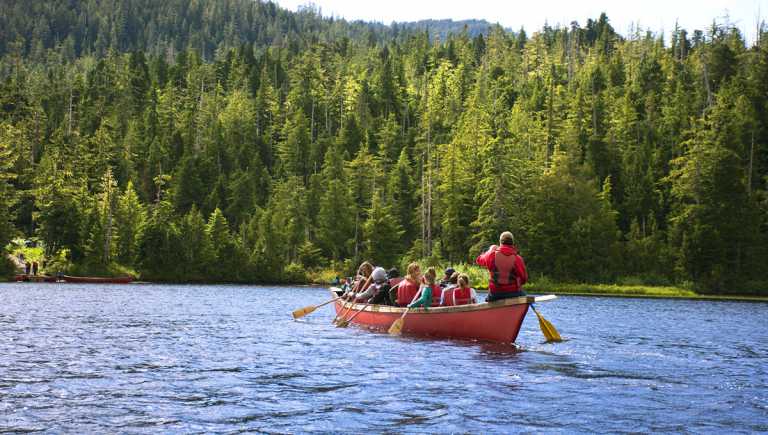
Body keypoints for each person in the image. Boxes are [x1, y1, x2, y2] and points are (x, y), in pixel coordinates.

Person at [475, 231, 528, 302]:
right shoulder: (517, 258)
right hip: (513, 293)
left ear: (500, 243)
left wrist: (490, 250)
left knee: (489, 297)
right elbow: (524, 279)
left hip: (495, 294)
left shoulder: (491, 255)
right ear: (512, 243)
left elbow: (478, 260)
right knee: (524, 295)